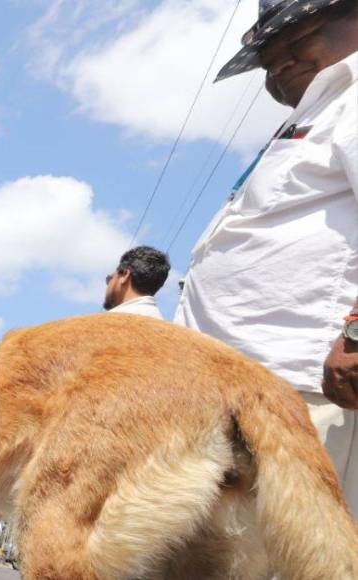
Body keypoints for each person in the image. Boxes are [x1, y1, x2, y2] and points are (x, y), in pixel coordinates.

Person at [175, 0, 358, 508]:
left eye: (296, 45)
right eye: (268, 63)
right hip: (242, 386)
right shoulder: (323, 109)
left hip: (300, 389)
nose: (278, 71)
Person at [102, 246, 170, 319]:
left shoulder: (101, 323)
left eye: (109, 279)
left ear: (125, 275)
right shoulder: (169, 327)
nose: (108, 285)